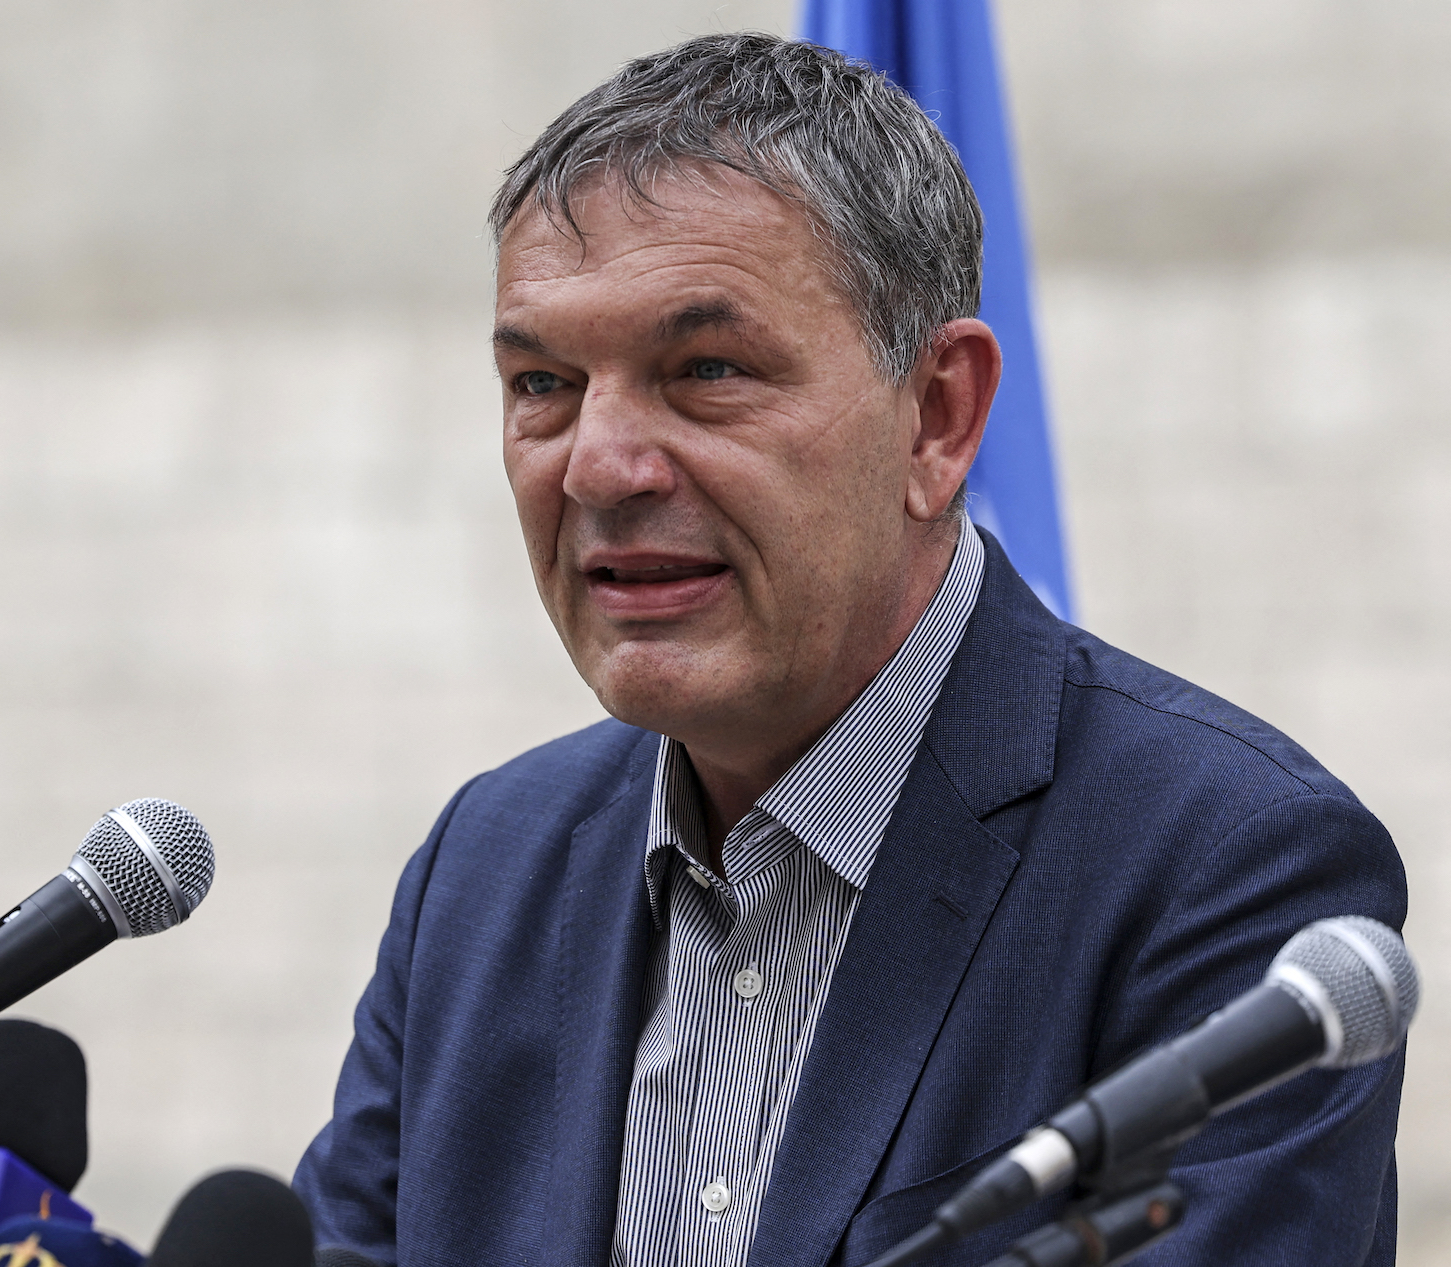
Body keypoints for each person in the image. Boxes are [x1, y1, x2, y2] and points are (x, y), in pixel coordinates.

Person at [293, 33, 1405, 1267]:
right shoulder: (484, 865)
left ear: (937, 416)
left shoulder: (1223, 864)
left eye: (705, 369)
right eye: (542, 384)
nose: (598, 466)